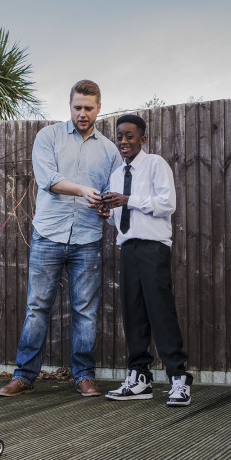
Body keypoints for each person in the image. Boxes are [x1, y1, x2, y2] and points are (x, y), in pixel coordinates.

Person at [0, 80, 122, 397]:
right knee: (37, 308)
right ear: (70, 106)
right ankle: (24, 376)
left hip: (88, 239)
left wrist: (107, 208)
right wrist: (81, 189)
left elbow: (113, 193)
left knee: (85, 311)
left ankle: (84, 377)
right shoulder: (48, 137)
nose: (83, 113)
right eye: (78, 107)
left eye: (89, 108)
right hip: (48, 235)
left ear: (98, 108)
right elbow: (48, 179)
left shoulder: (109, 150)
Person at [98, 114, 193, 406]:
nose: (124, 141)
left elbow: (168, 204)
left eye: (130, 136)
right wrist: (108, 214)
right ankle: (140, 377)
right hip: (128, 248)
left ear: (142, 138)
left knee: (160, 311)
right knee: (133, 313)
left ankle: (179, 379)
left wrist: (128, 200)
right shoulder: (116, 175)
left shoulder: (155, 164)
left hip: (153, 248)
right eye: (120, 136)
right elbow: (120, 220)